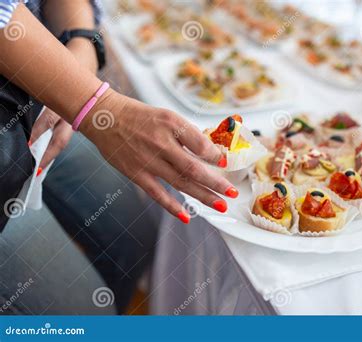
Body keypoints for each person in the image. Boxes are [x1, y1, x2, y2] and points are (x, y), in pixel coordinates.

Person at [0, 1, 238, 314]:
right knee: (91, 311)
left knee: (135, 241)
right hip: (9, 142)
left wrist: (81, 42)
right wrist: (102, 108)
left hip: (45, 93)